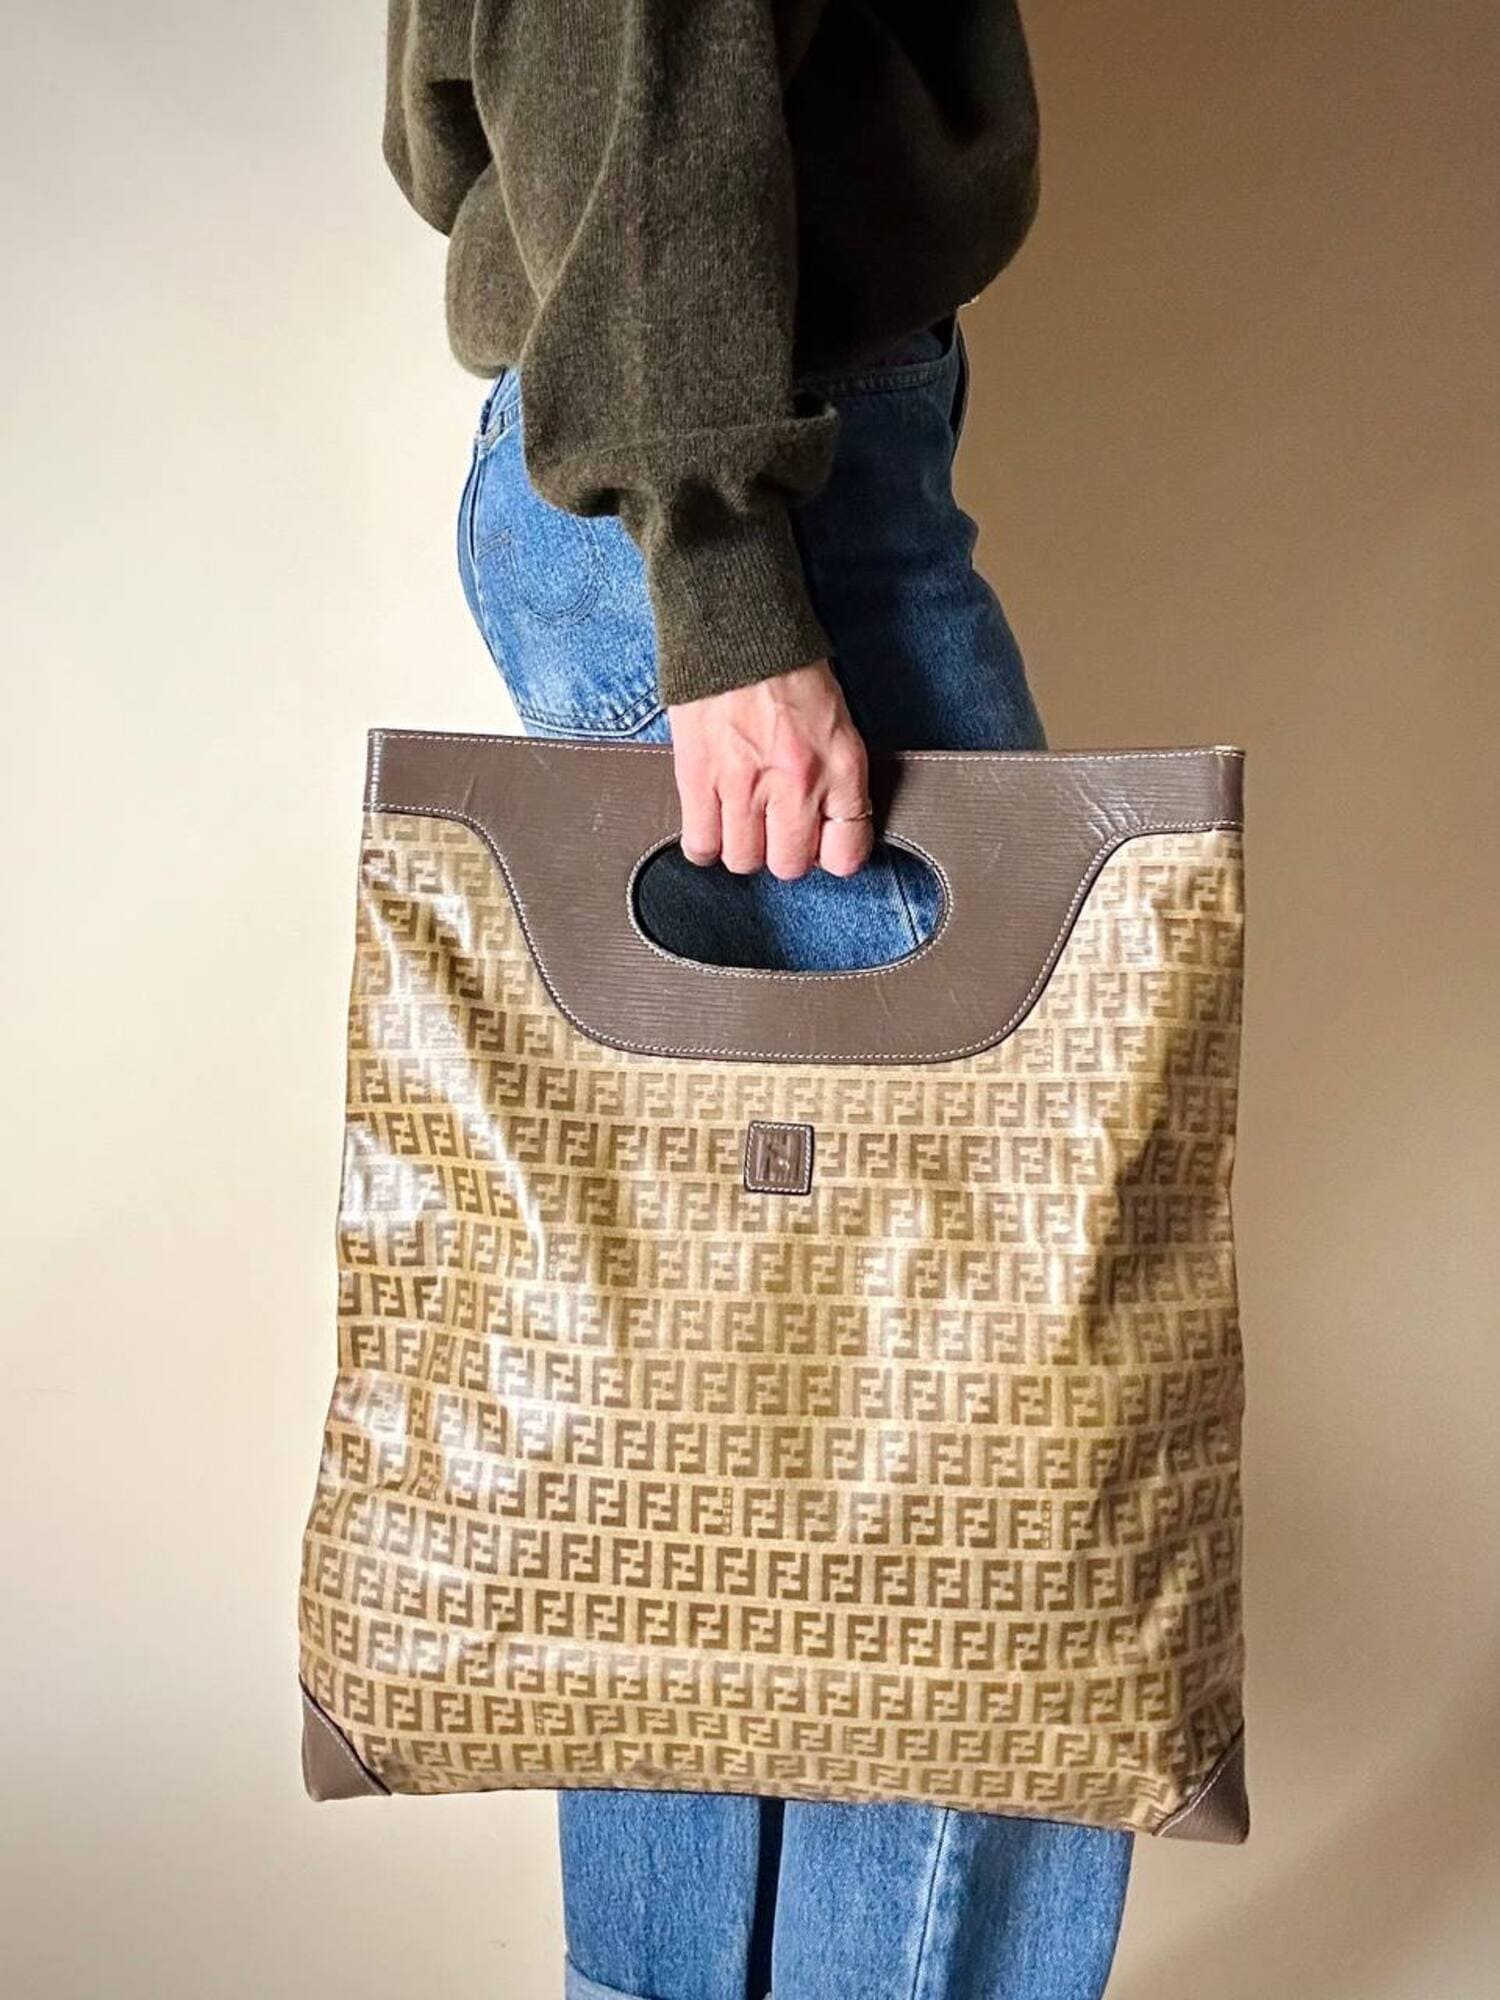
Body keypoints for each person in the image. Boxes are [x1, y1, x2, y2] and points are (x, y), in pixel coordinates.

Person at [385, 5, 1134, 1995]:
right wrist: (719, 574)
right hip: (758, 495)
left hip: (702, 446)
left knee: (708, 1383)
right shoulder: (729, 522)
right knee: (981, 1384)